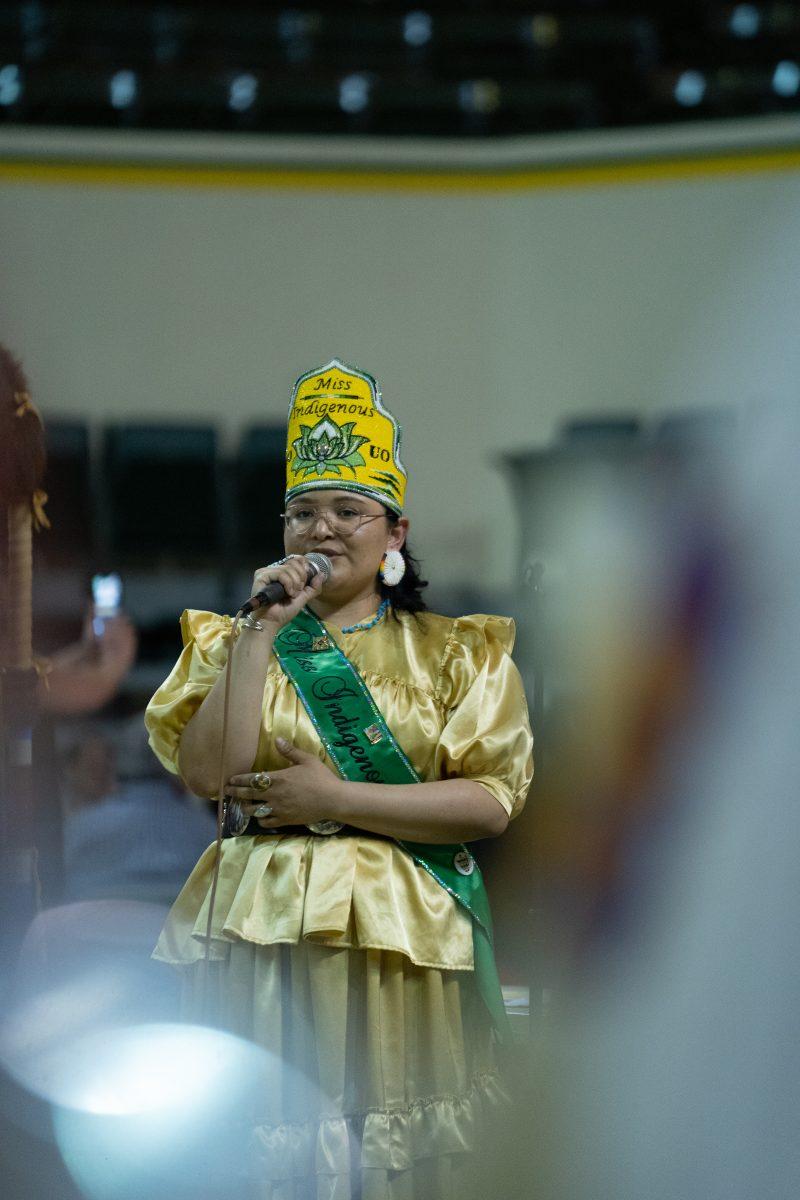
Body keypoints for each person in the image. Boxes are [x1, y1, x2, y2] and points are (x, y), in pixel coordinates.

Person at [145, 358, 533, 1199]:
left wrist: (339, 800)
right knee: (270, 1146)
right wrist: (256, 638)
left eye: (348, 512)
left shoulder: (458, 653)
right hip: (262, 932)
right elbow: (206, 775)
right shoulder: (229, 638)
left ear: (394, 533)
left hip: (401, 933)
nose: (321, 531)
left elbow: (491, 801)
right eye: (302, 513)